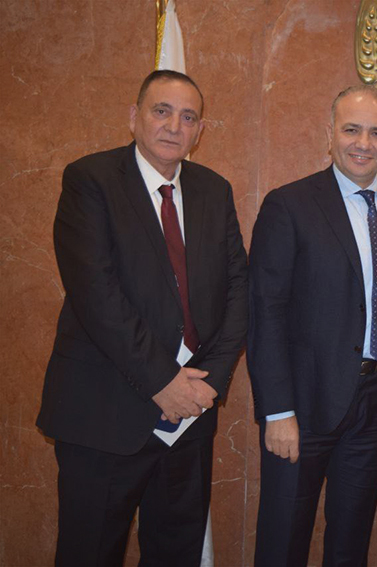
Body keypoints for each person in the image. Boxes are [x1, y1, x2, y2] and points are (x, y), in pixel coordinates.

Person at [37, 70, 248, 565]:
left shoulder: (214, 190)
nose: (174, 126)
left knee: (177, 553)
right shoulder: (90, 180)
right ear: (134, 116)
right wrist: (163, 382)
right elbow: (96, 294)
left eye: (188, 117)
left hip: (190, 415)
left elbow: (239, 290)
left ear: (200, 132)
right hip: (104, 414)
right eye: (162, 111)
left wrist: (207, 384)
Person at [248, 85, 377, 566]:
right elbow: (265, 312)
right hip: (302, 407)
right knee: (284, 541)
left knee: (350, 543)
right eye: (352, 130)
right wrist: (277, 410)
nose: (363, 143)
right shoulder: (289, 205)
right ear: (330, 134)